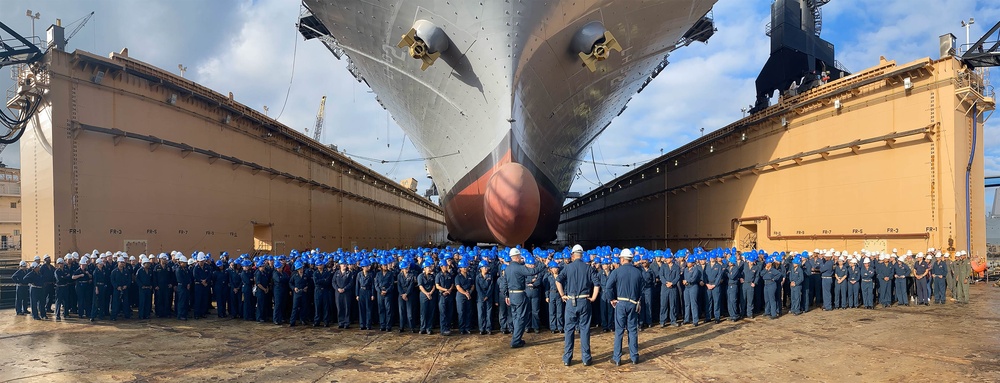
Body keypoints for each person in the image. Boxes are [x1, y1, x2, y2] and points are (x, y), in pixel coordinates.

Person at [556, 244, 600, 366]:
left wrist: (562, 295)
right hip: (584, 301)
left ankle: (567, 358)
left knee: (569, 330)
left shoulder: (568, 267)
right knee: (585, 330)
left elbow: (558, 280)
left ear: (573, 255)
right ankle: (586, 358)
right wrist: (593, 298)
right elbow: (597, 284)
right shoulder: (588, 268)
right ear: (582, 255)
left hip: (571, 301)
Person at [604, 249, 645, 366]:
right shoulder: (638, 272)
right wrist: (637, 301)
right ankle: (634, 356)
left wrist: (612, 299)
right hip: (633, 303)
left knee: (619, 331)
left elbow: (608, 287)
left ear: (622, 259)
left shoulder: (617, 271)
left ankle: (617, 358)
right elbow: (642, 289)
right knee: (632, 330)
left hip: (621, 303)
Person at [503, 248, 545, 348]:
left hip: (511, 295)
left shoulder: (507, 268)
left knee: (515, 317)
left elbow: (505, 283)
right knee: (520, 318)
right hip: (519, 295)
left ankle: (516, 338)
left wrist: (506, 295)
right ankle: (516, 341)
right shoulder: (519, 267)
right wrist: (544, 264)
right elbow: (533, 271)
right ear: (517, 257)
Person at [658, 254, 680, 327]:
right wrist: (666, 283)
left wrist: (672, 283)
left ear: (671, 258)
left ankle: (673, 320)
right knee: (663, 305)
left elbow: (677, 276)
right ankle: (662, 321)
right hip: (664, 288)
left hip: (673, 288)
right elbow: (661, 276)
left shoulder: (676, 267)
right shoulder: (663, 266)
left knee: (673, 304)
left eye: (667, 258)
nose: (666, 259)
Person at [454, 260, 475, 335]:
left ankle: (467, 327)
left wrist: (469, 292)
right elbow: (458, 287)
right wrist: (465, 293)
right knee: (461, 312)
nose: (465, 268)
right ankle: (462, 328)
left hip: (468, 295)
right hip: (461, 296)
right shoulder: (458, 277)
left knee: (468, 312)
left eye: (466, 267)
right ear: (460, 268)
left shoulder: (469, 276)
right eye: (464, 267)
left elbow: (472, 285)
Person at [397, 261, 419, 333]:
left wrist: (406, 294)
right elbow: (399, 286)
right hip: (401, 295)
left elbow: (411, 286)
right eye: (405, 268)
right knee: (402, 312)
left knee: (410, 313)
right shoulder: (399, 276)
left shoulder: (411, 275)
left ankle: (411, 327)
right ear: (402, 269)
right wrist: (402, 294)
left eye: (407, 268)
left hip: (409, 295)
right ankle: (401, 327)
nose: (407, 269)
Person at [417, 260, 438, 334]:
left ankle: (429, 328)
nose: (430, 268)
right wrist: (427, 293)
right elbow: (420, 286)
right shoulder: (420, 276)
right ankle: (423, 327)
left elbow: (434, 285)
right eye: (428, 267)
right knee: (423, 312)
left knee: (430, 312)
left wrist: (430, 293)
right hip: (423, 295)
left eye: (430, 267)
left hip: (431, 295)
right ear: (424, 268)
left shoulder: (433, 276)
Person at [475, 260, 495, 335]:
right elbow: (478, 288)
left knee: (488, 313)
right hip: (480, 298)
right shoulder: (477, 277)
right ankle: (482, 329)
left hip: (488, 297)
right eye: (484, 267)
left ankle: (488, 328)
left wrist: (487, 295)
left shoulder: (490, 276)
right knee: (481, 314)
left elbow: (491, 286)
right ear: (480, 268)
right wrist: (483, 296)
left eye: (487, 267)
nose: (486, 268)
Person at [544, 260, 564, 334]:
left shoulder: (561, 276)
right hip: (551, 294)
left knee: (560, 312)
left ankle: (560, 327)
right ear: (551, 269)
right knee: (552, 311)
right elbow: (547, 288)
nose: (556, 269)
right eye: (554, 268)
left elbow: (564, 286)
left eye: (556, 268)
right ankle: (553, 327)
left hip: (559, 294)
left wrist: (563, 295)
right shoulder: (549, 277)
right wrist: (547, 296)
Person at [682, 256, 702, 326]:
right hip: (686, 288)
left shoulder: (695, 270)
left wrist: (687, 281)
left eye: (689, 262)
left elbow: (693, 278)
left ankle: (695, 320)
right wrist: (684, 281)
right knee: (687, 304)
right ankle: (686, 319)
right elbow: (684, 277)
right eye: (687, 262)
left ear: (693, 263)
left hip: (693, 287)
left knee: (694, 303)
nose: (688, 263)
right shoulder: (685, 269)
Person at [356, 260, 376, 330]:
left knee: (368, 309)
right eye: (367, 266)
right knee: (361, 309)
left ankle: (368, 324)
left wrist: (373, 294)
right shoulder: (359, 274)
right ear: (363, 267)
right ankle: (362, 324)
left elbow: (373, 285)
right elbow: (357, 285)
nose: (369, 267)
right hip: (361, 291)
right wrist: (357, 294)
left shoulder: (371, 274)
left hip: (368, 291)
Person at [289, 261, 309, 327]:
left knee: (304, 307)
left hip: (303, 293)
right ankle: (292, 321)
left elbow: (309, 283)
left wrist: (307, 287)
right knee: (295, 307)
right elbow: (290, 283)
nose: (301, 269)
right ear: (297, 269)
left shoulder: (305, 275)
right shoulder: (294, 276)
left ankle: (303, 320)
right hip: (297, 293)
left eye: (302, 268)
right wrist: (294, 288)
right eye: (300, 268)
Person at [313, 261, 333, 327]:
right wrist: (323, 280)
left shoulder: (327, 272)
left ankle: (326, 321)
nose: (320, 266)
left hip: (325, 290)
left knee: (325, 306)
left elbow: (328, 281)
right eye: (319, 265)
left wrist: (322, 281)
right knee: (317, 306)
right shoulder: (315, 273)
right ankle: (317, 321)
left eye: (321, 264)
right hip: (318, 291)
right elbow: (316, 282)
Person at [175, 256, 192, 321]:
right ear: (181, 262)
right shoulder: (178, 270)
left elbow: (189, 277)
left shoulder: (186, 269)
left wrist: (189, 283)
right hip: (181, 287)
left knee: (185, 301)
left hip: (186, 287)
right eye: (184, 262)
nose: (185, 264)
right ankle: (180, 315)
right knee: (181, 301)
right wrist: (186, 284)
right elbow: (180, 279)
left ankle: (184, 314)